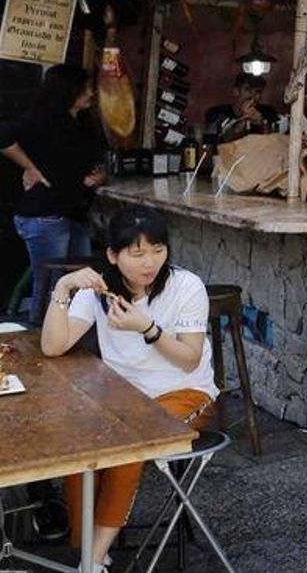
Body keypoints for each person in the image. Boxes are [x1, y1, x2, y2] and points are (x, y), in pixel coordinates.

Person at [40, 207, 216, 571]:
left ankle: (90, 560)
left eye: (158, 250)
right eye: (137, 254)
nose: (149, 262)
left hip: (188, 393)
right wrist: (64, 287)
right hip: (123, 399)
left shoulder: (186, 286)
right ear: (113, 256)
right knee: (80, 443)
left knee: (128, 444)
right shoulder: (99, 291)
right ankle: (92, 549)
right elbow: (52, 346)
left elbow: (189, 359)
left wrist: (147, 328)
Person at [0, 64, 105, 325]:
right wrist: (30, 167)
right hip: (45, 213)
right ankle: (39, 342)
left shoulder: (79, 123)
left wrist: (99, 176)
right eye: (87, 87)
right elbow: (3, 137)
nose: (91, 93)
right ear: (71, 90)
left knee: (82, 280)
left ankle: (70, 340)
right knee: (51, 284)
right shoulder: (41, 119)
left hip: (73, 212)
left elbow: (92, 159)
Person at [204, 72, 282, 144]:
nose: (252, 96)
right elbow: (214, 143)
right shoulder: (216, 113)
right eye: (247, 90)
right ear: (236, 91)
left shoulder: (268, 112)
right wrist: (243, 119)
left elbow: (276, 142)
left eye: (258, 91)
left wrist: (262, 124)